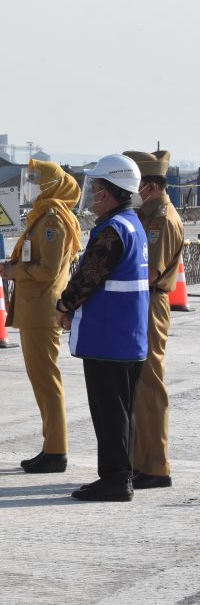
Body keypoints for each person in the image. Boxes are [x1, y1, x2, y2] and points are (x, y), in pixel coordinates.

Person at [56, 154, 148, 502]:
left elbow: (89, 276)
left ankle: (114, 479)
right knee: (124, 411)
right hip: (130, 337)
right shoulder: (133, 224)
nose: (91, 193)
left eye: (95, 187)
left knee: (109, 412)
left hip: (109, 338)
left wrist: (64, 305)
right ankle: (122, 473)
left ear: (109, 192)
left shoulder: (111, 230)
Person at [0, 159, 81, 473]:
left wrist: (14, 271)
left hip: (42, 310)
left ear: (52, 186)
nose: (31, 186)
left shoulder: (52, 221)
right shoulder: (43, 216)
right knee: (42, 381)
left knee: (47, 381)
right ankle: (51, 446)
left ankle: (57, 450)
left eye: (37, 180)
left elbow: (47, 270)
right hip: (33, 308)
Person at [124, 150, 183, 490]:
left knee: (149, 383)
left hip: (151, 302)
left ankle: (157, 465)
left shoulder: (161, 219)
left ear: (147, 185)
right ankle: (140, 461)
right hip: (141, 302)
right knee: (137, 384)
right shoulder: (145, 213)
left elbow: (150, 273)